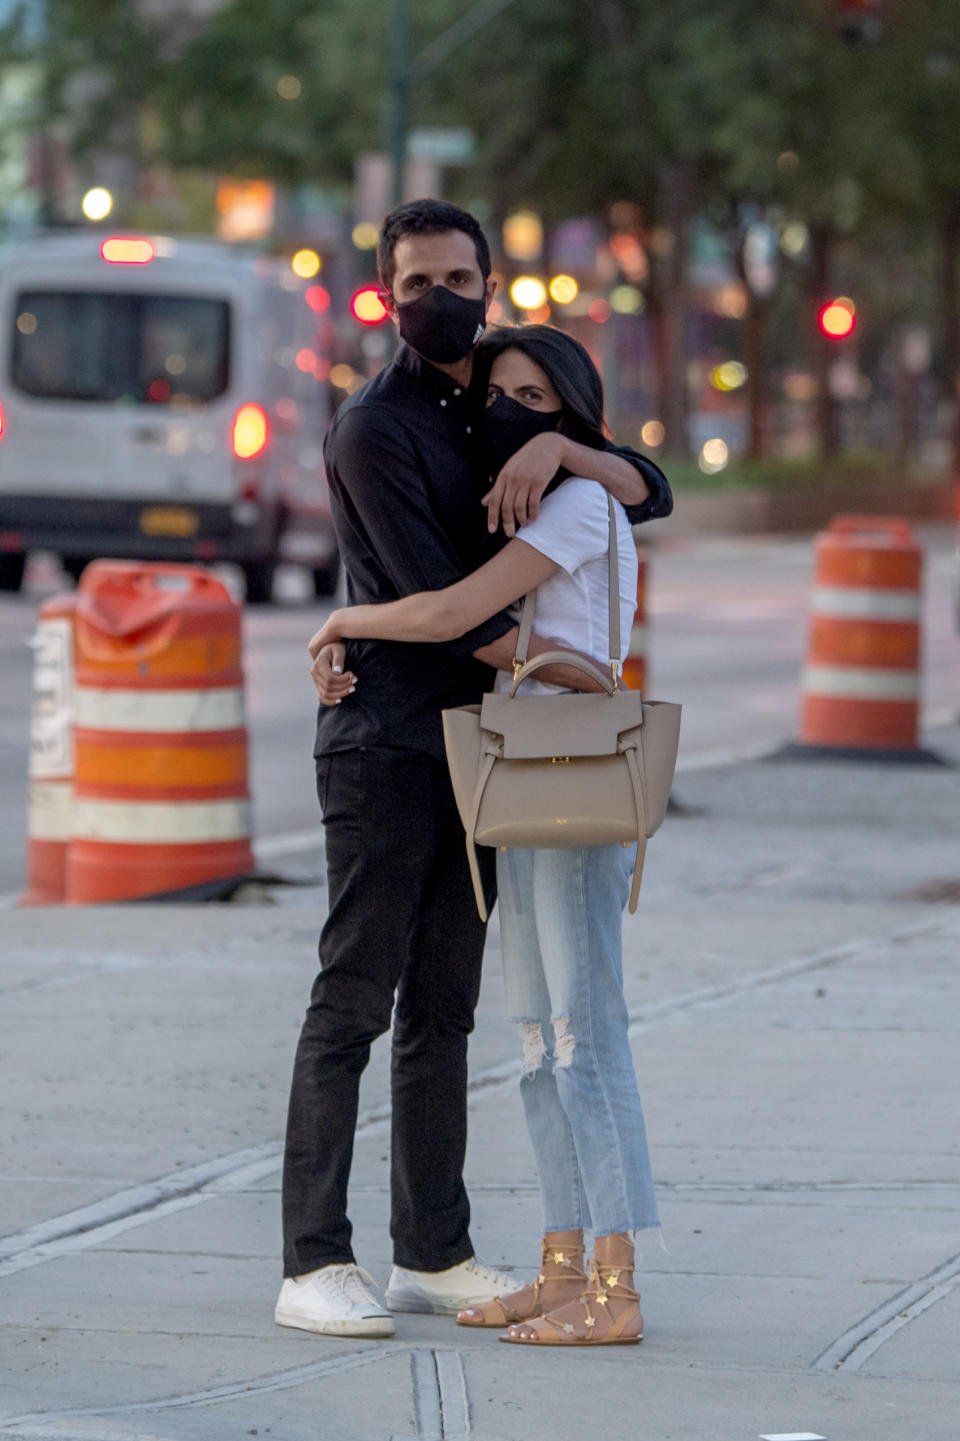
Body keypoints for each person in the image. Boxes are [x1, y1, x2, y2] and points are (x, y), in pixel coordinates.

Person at [276, 200, 671, 1341]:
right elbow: (452, 614)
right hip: (391, 742)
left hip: (497, 751)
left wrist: (559, 442)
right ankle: (314, 1258)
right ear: (386, 291)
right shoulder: (378, 427)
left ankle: (432, 1247)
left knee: (448, 1007)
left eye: (459, 275)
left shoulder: (502, 417)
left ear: (490, 285)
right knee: (356, 994)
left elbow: (647, 483)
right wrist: (349, 624)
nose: (437, 296)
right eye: (416, 280)